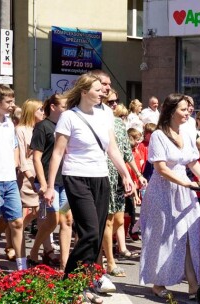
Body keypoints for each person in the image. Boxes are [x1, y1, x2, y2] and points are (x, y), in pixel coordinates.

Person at [44, 74, 135, 303]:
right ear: (84, 92)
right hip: (76, 177)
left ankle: (86, 283)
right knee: (90, 232)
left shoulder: (105, 115)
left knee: (96, 235)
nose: (103, 92)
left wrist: (126, 175)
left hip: (101, 177)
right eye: (97, 89)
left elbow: (112, 148)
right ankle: (70, 282)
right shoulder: (69, 117)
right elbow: (57, 153)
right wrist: (49, 186)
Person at [139, 93, 200, 300]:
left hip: (185, 190)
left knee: (189, 235)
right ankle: (158, 283)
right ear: (171, 111)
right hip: (162, 191)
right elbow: (160, 168)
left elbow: (192, 162)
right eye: (182, 109)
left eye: (188, 109)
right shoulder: (159, 135)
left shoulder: (187, 133)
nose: (187, 112)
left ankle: (193, 283)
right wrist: (187, 183)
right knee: (162, 237)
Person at [101, 90, 147, 278]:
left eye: (116, 102)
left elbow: (127, 153)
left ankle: (102, 254)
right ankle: (108, 260)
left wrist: (136, 174)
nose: (113, 105)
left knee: (119, 220)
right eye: (110, 102)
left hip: (119, 176)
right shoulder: (98, 121)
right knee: (107, 220)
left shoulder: (119, 124)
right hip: (102, 174)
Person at [29, 94, 73, 271]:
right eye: (63, 106)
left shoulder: (65, 126)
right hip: (48, 182)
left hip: (65, 180)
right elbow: (36, 158)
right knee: (52, 219)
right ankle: (34, 252)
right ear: (53, 107)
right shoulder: (42, 126)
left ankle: (64, 264)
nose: (66, 109)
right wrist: (43, 183)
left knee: (67, 220)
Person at [0, 84, 27, 270]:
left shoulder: (9, 123)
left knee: (17, 221)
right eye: (8, 101)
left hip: (10, 180)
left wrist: (15, 164)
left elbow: (15, 145)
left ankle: (22, 266)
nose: (12, 104)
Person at [16, 99, 44, 241]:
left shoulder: (41, 128)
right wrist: (30, 178)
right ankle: (14, 242)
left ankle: (46, 247)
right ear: (32, 111)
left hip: (40, 174)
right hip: (27, 176)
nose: (43, 112)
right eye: (40, 109)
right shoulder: (21, 130)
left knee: (40, 212)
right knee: (21, 213)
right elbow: (21, 157)